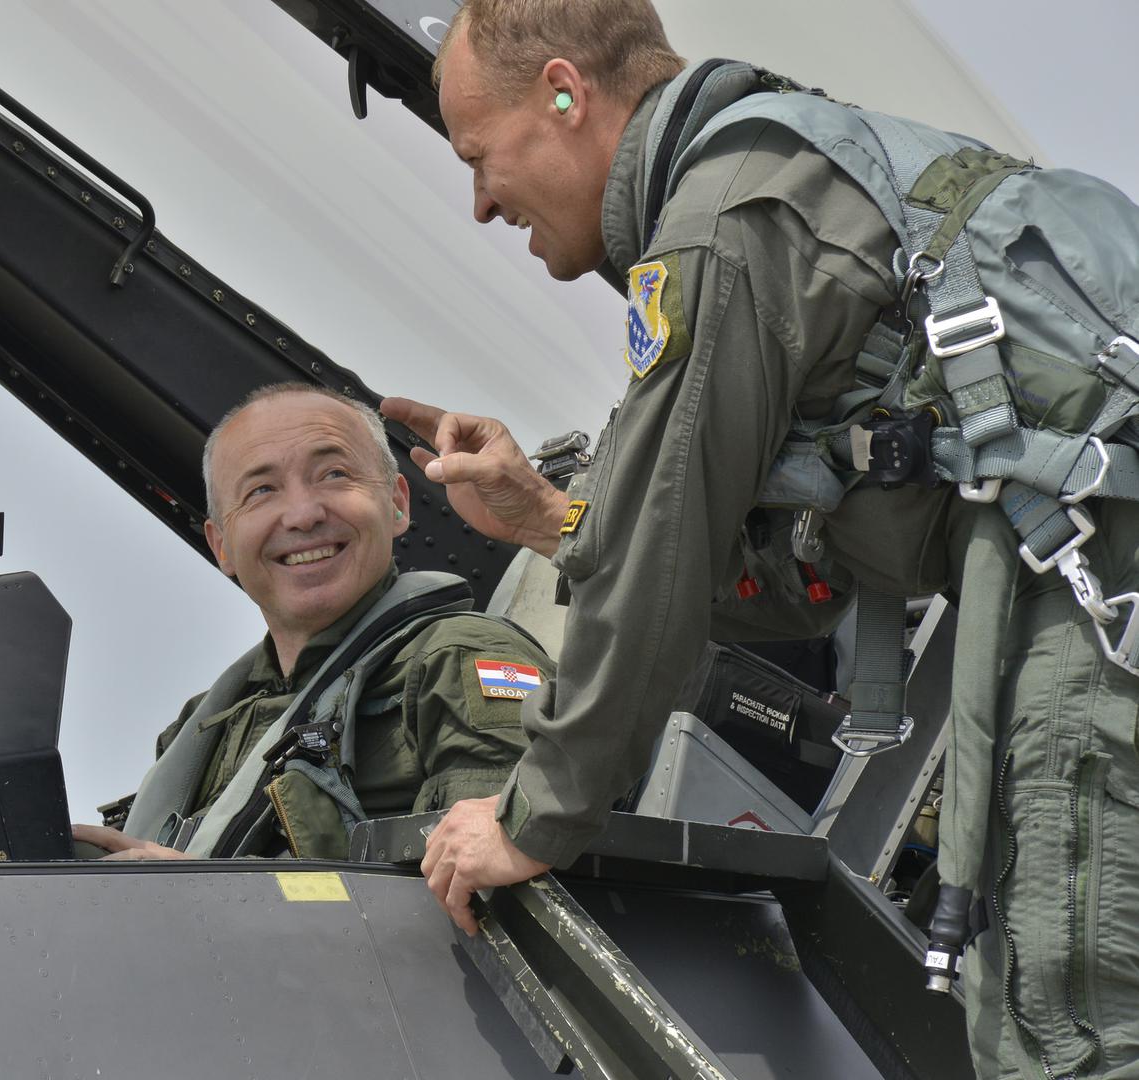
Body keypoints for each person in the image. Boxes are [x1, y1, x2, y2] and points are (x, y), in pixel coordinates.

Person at [387, 2, 1139, 1078]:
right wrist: (552, 520)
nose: (478, 202)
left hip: (1096, 604)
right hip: (1079, 580)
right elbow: (775, 573)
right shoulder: (802, 160)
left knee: (1073, 1034)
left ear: (563, 93)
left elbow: (656, 554)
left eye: (477, 155)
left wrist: (532, 819)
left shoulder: (721, 221)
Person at [73, 383, 553, 862]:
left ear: (397, 504)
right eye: (261, 491)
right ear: (222, 547)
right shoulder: (205, 728)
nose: (303, 515)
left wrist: (209, 893)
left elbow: (515, 876)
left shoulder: (455, 659)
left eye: (334, 474)